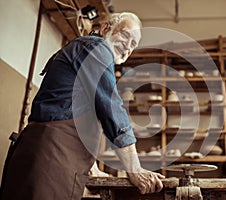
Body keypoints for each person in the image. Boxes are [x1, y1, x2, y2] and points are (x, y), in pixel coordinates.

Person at [0, 12, 164, 200]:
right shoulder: (95, 47)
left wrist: (92, 167)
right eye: (125, 35)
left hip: (51, 157)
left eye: (133, 44)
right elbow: (111, 107)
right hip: (50, 157)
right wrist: (134, 169)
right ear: (105, 29)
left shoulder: (87, 52)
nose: (128, 46)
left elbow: (74, 110)